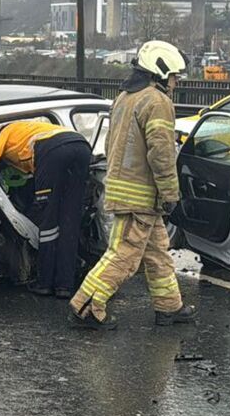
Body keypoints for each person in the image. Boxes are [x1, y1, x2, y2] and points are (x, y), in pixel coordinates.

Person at [68, 40, 196, 330]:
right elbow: (161, 153)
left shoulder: (125, 97)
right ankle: (85, 306)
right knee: (124, 256)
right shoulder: (157, 101)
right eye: (175, 76)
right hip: (141, 195)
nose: (176, 83)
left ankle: (169, 307)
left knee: (157, 251)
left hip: (126, 189)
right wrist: (170, 193)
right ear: (161, 72)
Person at [0, 121, 92, 298]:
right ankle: (65, 285)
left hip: (52, 151)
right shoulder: (31, 127)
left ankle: (45, 283)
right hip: (81, 146)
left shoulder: (2, 130)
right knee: (69, 221)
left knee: (48, 221)